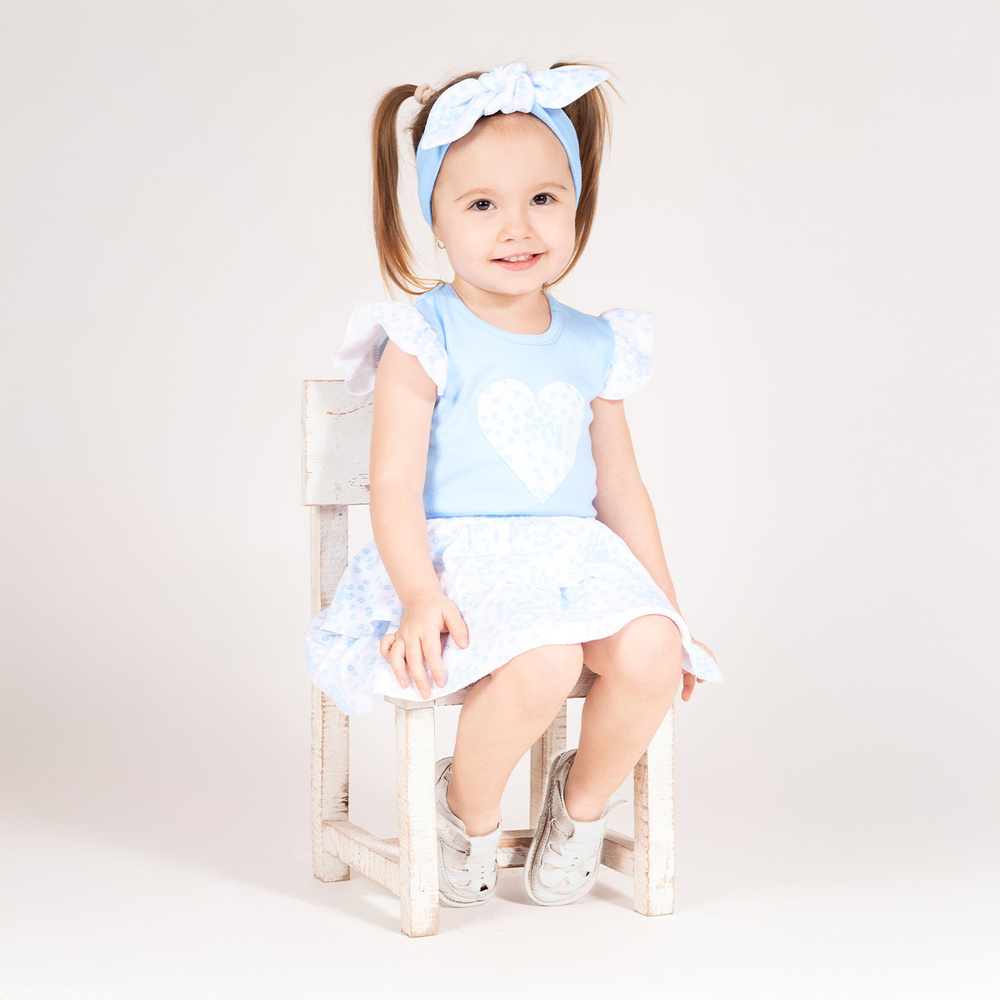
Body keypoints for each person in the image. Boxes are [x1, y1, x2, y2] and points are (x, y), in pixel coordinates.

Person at [304, 60, 723, 909]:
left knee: (648, 649)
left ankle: (580, 804)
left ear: (576, 205)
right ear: (435, 218)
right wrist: (419, 595)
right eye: (482, 205)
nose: (517, 227)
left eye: (542, 198)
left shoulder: (594, 343)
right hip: (461, 561)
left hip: (573, 558)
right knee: (545, 658)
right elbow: (393, 483)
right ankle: (466, 809)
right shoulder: (423, 336)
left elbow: (621, 488)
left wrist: (667, 606)